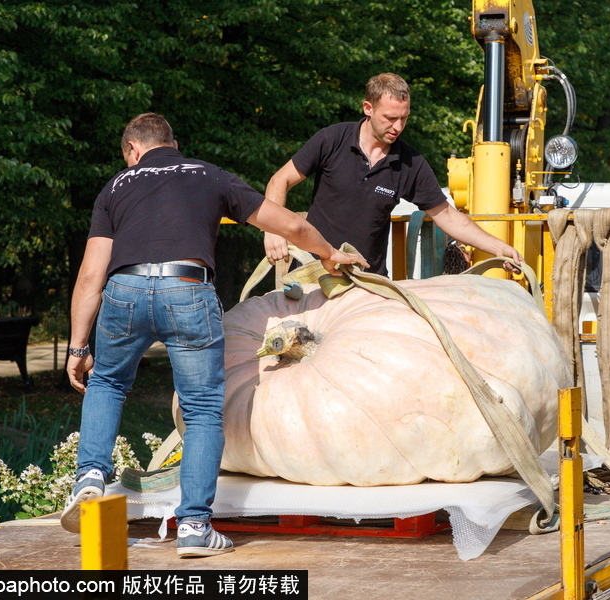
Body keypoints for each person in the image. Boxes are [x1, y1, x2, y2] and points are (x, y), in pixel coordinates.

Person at [61, 113, 366, 557]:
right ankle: (194, 527)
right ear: (174, 144)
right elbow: (292, 227)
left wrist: (77, 346)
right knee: (202, 408)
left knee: (107, 382)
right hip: (187, 288)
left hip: (124, 290)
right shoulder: (208, 175)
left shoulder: (116, 187)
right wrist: (329, 254)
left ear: (132, 151)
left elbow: (90, 275)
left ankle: (89, 476)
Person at [262, 72, 523, 276]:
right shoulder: (332, 139)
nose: (398, 127)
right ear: (368, 108)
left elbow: (448, 217)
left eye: (404, 118)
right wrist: (273, 230)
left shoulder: (411, 163)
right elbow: (280, 180)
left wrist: (499, 248)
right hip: (312, 271)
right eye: (390, 118)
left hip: (365, 279)